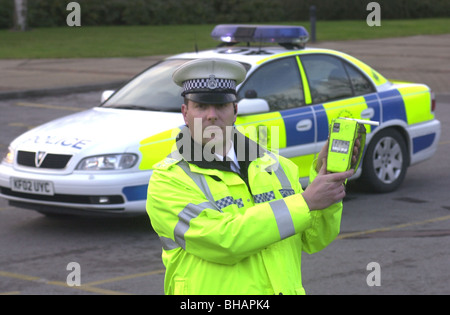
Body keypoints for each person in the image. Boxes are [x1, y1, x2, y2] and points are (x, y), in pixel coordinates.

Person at [146, 58, 357, 295]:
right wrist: (306, 202)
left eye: (221, 106)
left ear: (235, 110)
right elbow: (222, 241)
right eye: (202, 106)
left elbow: (314, 239)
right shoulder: (168, 179)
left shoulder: (277, 166)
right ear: (185, 113)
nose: (212, 116)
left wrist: (327, 180)